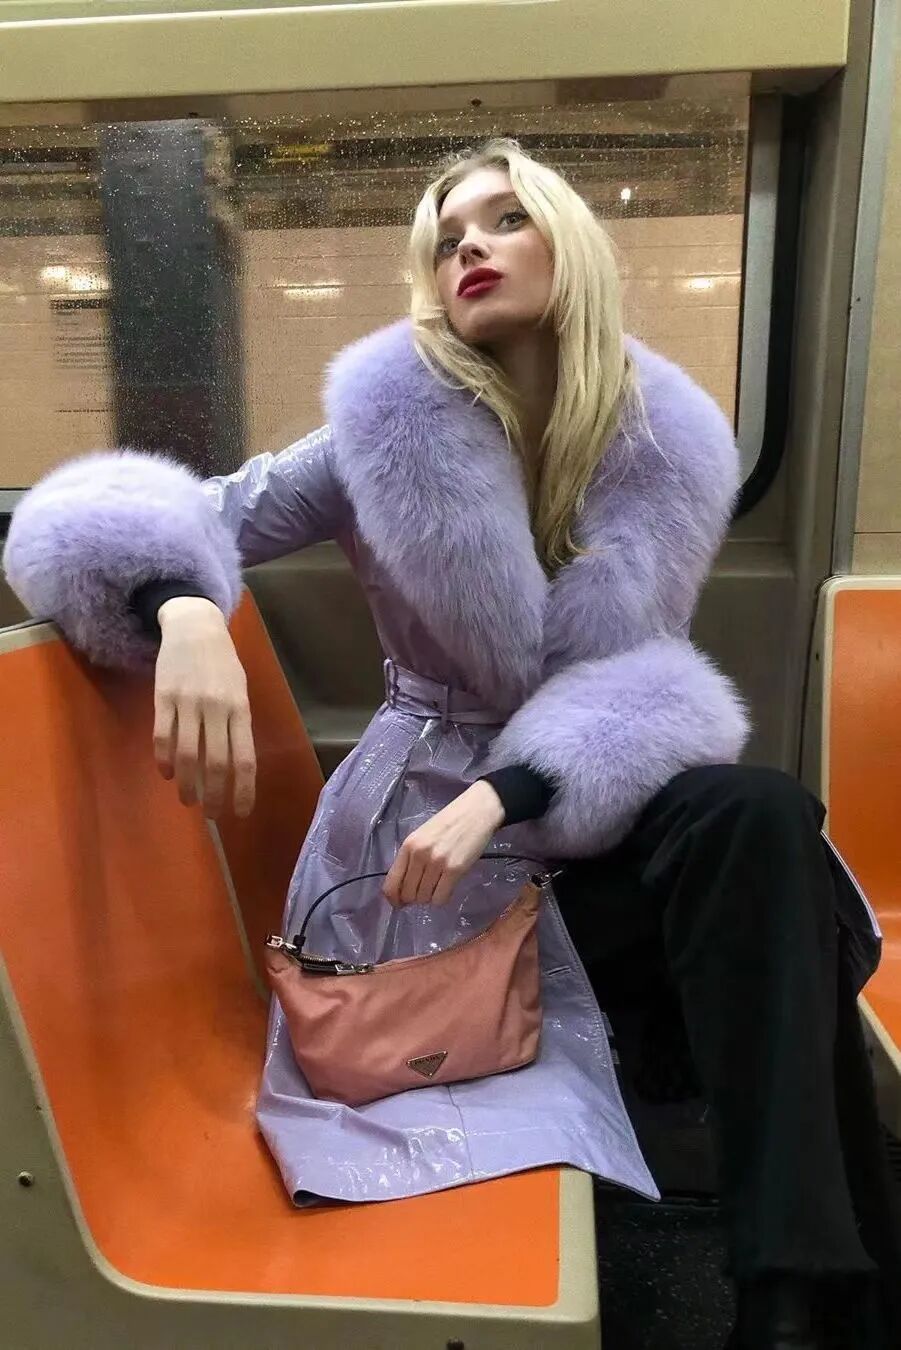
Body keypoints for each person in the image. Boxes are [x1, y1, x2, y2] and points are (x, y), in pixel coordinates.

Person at [4, 140, 897, 1349]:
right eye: (446, 236)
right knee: (782, 919)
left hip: (573, 820)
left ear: (570, 246)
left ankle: (787, 1299)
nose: (469, 244)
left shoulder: (664, 446)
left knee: (761, 819)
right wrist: (181, 609)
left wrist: (514, 787)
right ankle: (831, 1298)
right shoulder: (384, 427)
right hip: (423, 868)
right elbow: (118, 514)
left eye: (505, 218)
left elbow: (648, 681)